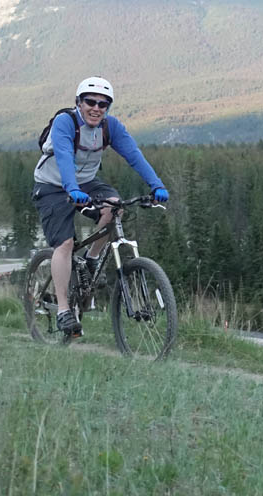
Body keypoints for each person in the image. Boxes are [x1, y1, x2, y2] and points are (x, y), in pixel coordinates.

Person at [32, 76, 169, 337]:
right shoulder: (65, 122)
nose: (96, 108)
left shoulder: (110, 127)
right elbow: (63, 156)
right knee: (65, 244)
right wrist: (72, 189)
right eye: (90, 102)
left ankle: (92, 260)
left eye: (103, 104)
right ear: (79, 103)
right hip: (51, 186)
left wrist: (157, 186)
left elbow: (134, 156)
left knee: (115, 206)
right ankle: (63, 310)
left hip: (85, 182)